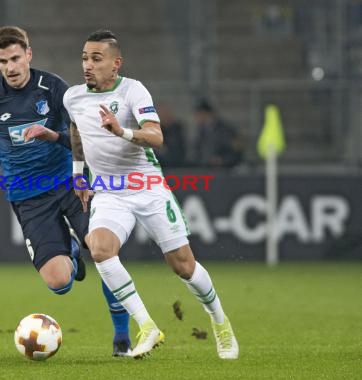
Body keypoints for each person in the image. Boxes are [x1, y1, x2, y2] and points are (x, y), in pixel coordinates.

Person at [64, 29, 239, 359]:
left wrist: (121, 130)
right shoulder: (73, 97)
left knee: (183, 266)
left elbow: (156, 137)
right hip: (108, 192)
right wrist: (78, 175)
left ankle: (219, 321)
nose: (88, 65)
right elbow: (76, 131)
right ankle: (147, 326)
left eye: (96, 59)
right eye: (85, 58)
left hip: (147, 188)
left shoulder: (133, 90)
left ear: (116, 63)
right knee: (99, 248)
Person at [0, 26, 132, 357]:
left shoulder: (53, 88)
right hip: (28, 196)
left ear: (28, 54)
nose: (10, 67)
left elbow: (83, 137)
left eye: (15, 58)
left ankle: (122, 337)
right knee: (59, 283)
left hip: (70, 183)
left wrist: (59, 143)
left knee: (104, 252)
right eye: (2, 61)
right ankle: (69, 248)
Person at [192, 98, 244, 168]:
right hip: (207, 171)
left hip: (224, 172)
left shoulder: (226, 130)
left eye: (198, 113)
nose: (196, 117)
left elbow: (237, 152)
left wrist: (222, 160)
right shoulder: (201, 131)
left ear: (206, 113)